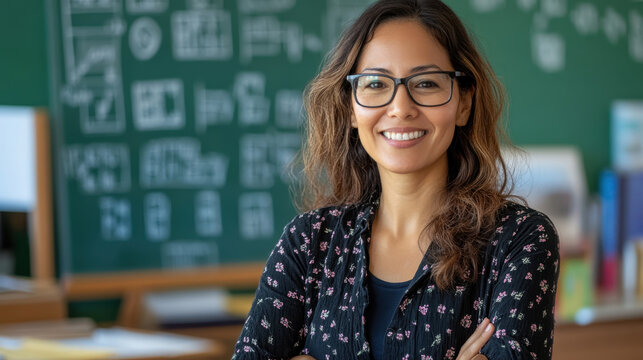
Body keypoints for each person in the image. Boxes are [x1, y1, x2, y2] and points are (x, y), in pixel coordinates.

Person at [233, 0, 560, 359]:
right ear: (351, 108)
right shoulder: (309, 244)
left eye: (426, 83)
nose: (401, 107)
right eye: (375, 83)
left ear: (463, 103)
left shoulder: (518, 242)